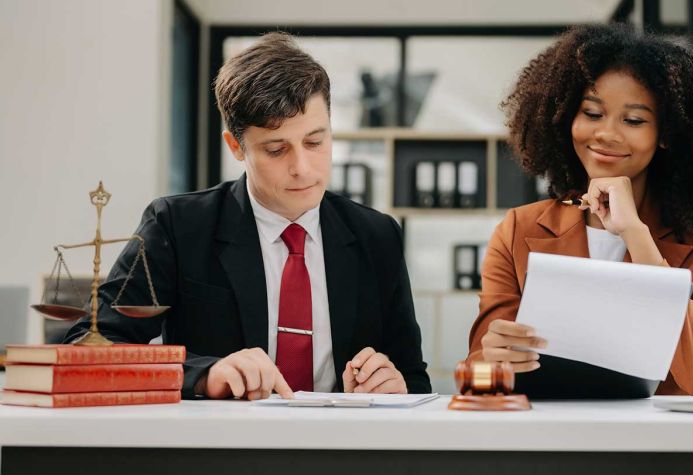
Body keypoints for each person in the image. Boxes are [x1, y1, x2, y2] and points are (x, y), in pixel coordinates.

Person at [65, 32, 430, 399]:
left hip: (341, 448)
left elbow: (414, 379)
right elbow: (88, 346)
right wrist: (203, 374)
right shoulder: (177, 226)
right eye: (276, 149)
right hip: (220, 448)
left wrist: (395, 386)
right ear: (236, 147)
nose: (302, 168)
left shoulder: (377, 235)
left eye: (315, 142)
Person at [468, 24, 693, 395]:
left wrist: (637, 237)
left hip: (657, 448)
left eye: (634, 120)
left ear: (667, 134)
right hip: (548, 441)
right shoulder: (518, 229)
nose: (606, 133)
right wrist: (491, 359)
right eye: (592, 114)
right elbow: (476, 376)